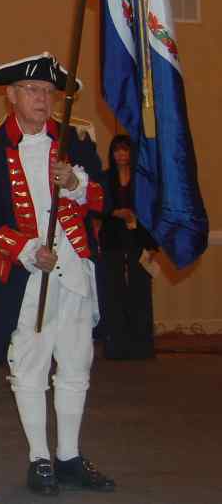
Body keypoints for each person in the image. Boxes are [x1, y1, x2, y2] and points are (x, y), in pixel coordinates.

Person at [0, 54, 115, 496]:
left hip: (75, 272)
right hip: (27, 278)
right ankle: (39, 458)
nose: (43, 99)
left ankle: (68, 454)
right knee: (28, 365)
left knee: (76, 363)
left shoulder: (77, 139)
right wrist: (26, 248)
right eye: (32, 90)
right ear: (10, 96)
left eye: (49, 92)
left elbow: (102, 195)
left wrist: (76, 185)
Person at [98, 134, 158, 360]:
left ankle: (141, 346)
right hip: (112, 239)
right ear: (112, 154)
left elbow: (153, 212)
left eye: (125, 150)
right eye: (117, 150)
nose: (121, 154)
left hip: (138, 240)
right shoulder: (105, 178)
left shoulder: (143, 179)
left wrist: (152, 245)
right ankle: (116, 347)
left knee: (140, 292)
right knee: (113, 292)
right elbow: (95, 207)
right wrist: (115, 213)